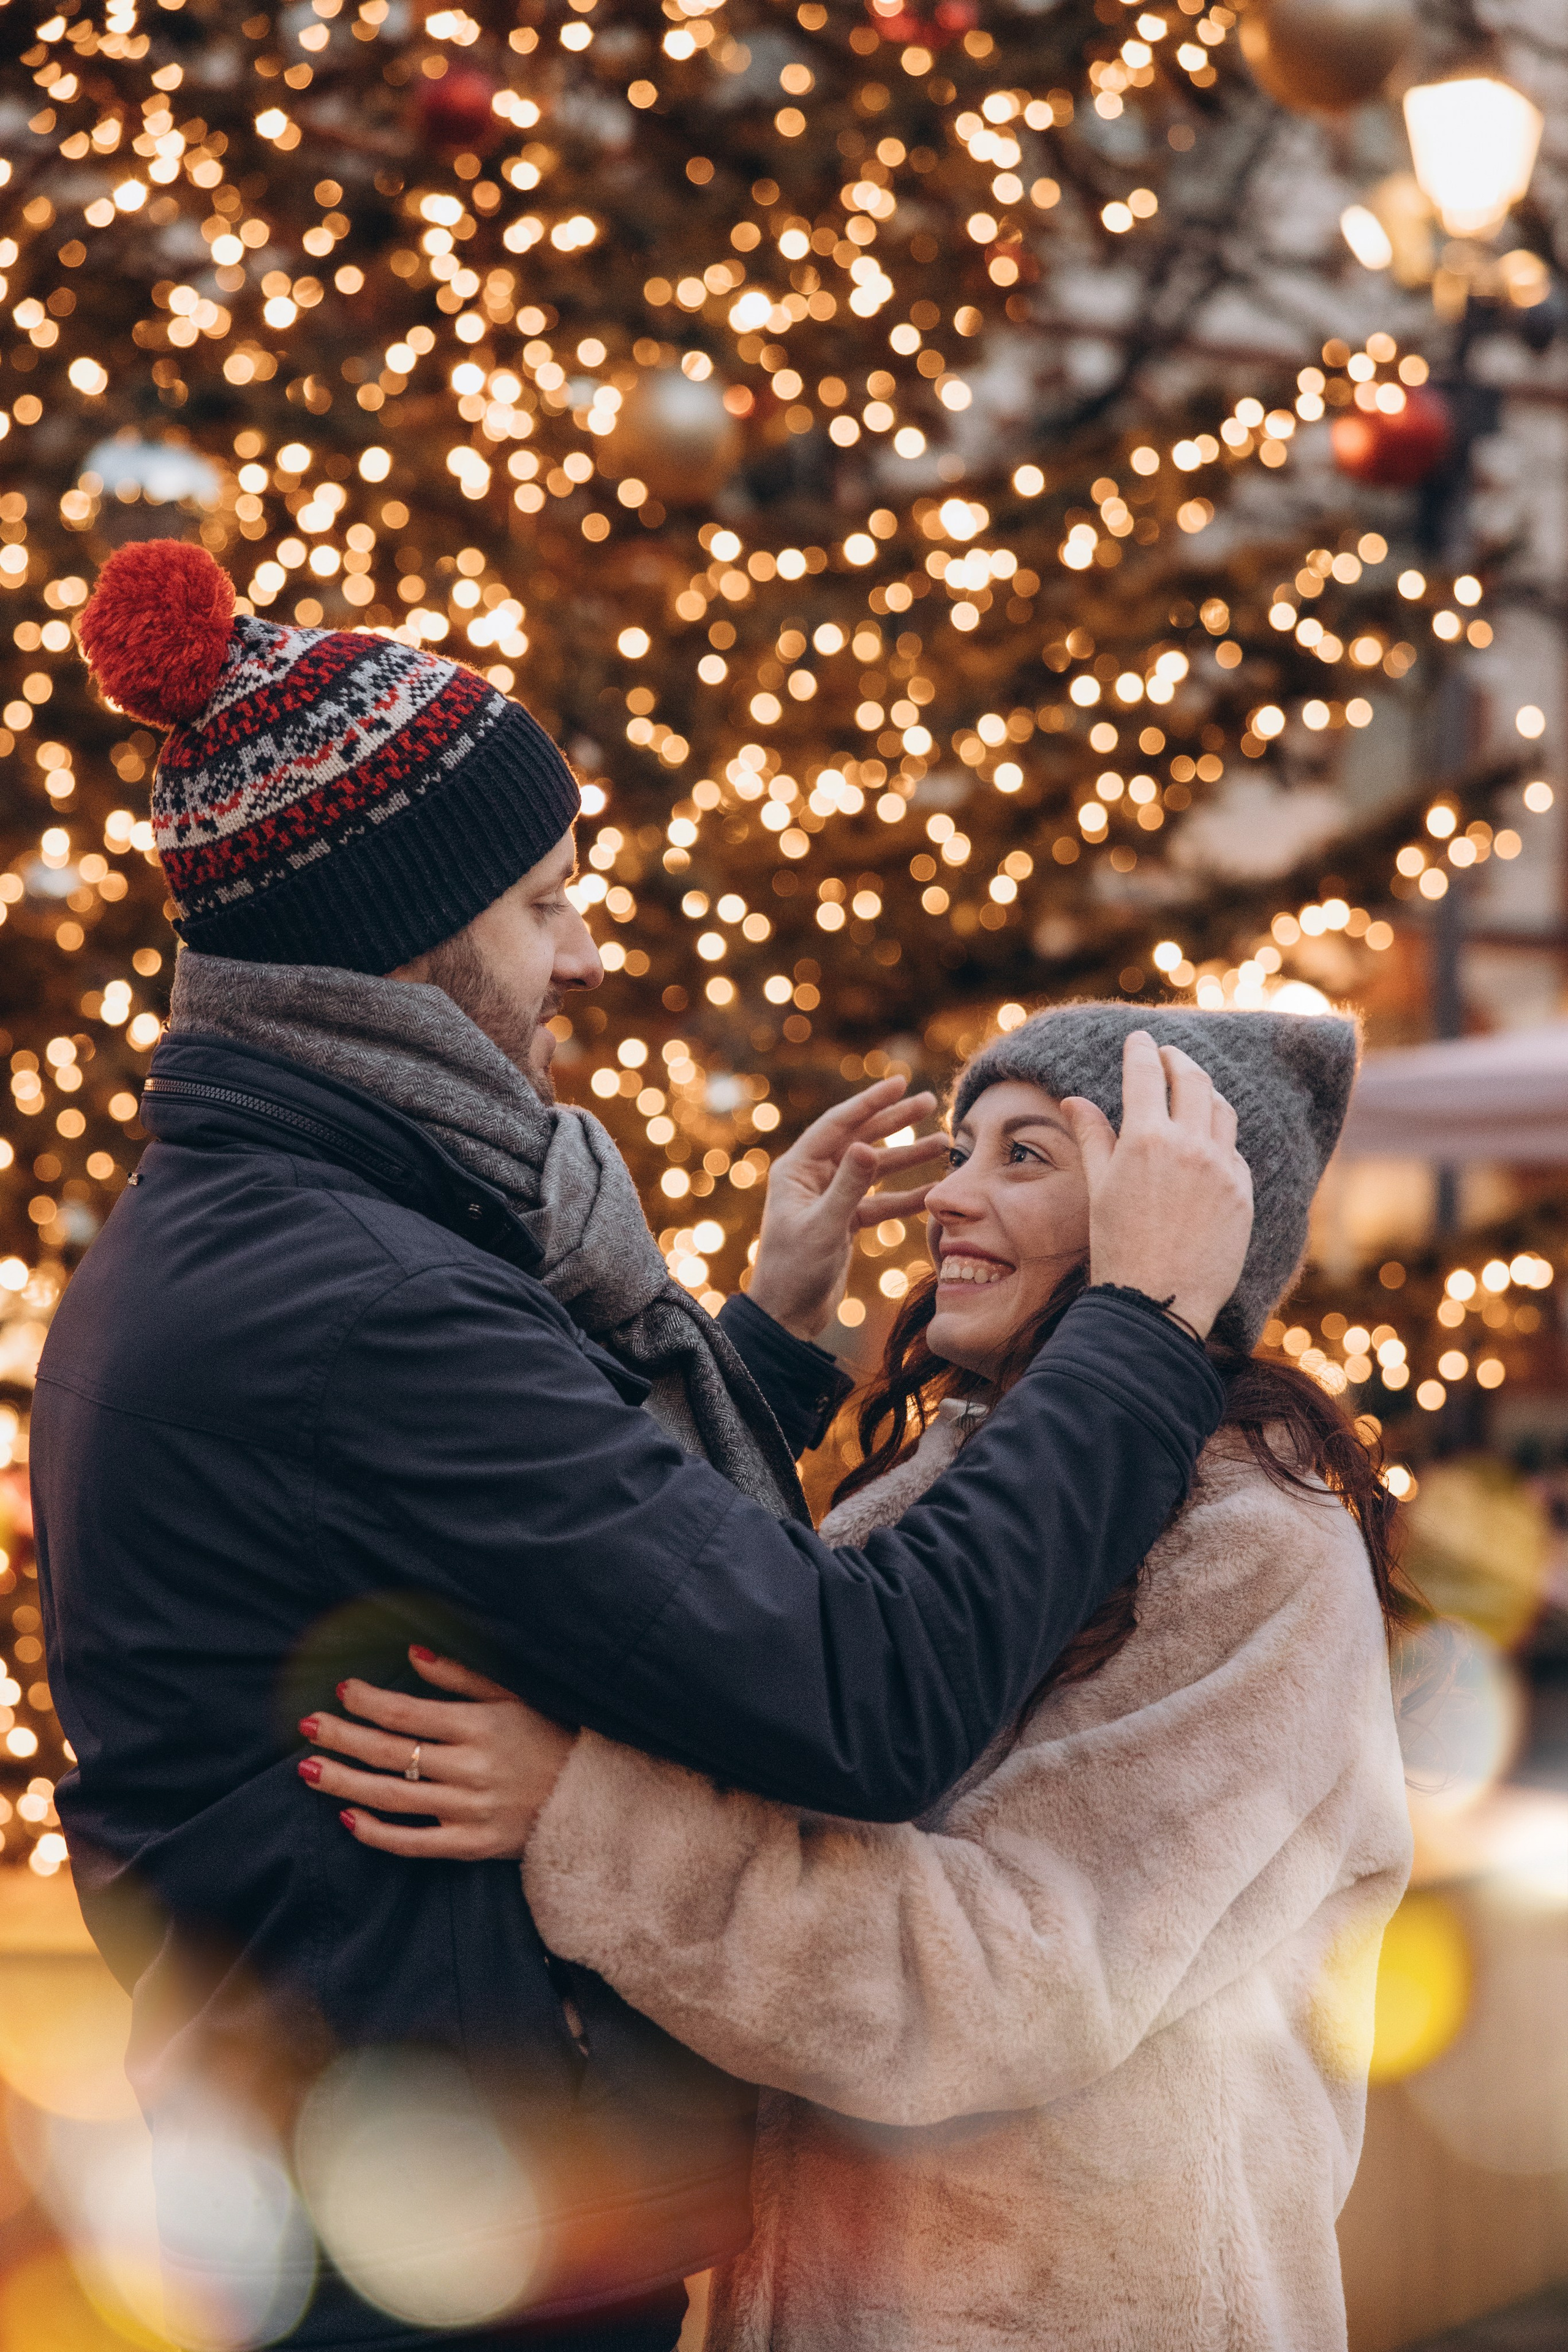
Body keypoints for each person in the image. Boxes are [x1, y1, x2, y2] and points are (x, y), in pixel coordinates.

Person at [35, 540, 1250, 2352]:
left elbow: (566, 1564)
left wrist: (760, 1347)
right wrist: (1143, 1326)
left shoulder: (268, 1228)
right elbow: (861, 1697)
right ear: (405, 935)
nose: (588, 954)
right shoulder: (368, 1301)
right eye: (543, 904)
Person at [304, 1005, 1415, 2352]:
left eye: (1024, 1155)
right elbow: (743, 1665)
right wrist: (768, 1330)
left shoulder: (1253, 1546)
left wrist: (581, 1813)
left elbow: (1014, 1984)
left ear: (1171, 1215)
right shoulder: (934, 1480)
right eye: (962, 1149)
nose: (945, 1195)